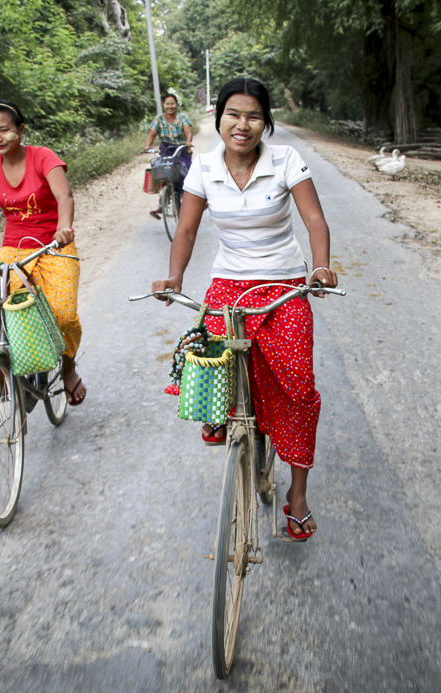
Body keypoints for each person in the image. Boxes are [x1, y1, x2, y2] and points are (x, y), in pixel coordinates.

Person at [150, 78, 338, 542]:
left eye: (254, 116)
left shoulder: (285, 161)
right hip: (229, 285)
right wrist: (174, 278)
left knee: (297, 388)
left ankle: (297, 495)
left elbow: (314, 219)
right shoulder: (204, 167)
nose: (243, 124)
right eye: (234, 114)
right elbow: (188, 230)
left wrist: (320, 269)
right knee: (209, 361)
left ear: (265, 123)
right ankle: (228, 417)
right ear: (219, 119)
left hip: (284, 284)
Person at [0, 100, 86, 406]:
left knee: (62, 314)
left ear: (20, 131)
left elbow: (64, 195)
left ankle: (68, 369)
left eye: (4, 130)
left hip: (54, 247)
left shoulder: (43, 157)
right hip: (13, 250)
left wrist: (64, 228)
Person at [144, 93, 193, 219]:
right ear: (163, 105)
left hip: (181, 149)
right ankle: (162, 203)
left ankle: (193, 202)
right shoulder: (159, 119)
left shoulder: (182, 118)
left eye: (172, 103)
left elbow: (188, 131)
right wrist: (147, 145)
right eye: (167, 104)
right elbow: (152, 133)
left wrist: (188, 143)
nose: (170, 106)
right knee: (161, 173)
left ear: (176, 104)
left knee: (187, 173)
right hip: (166, 149)